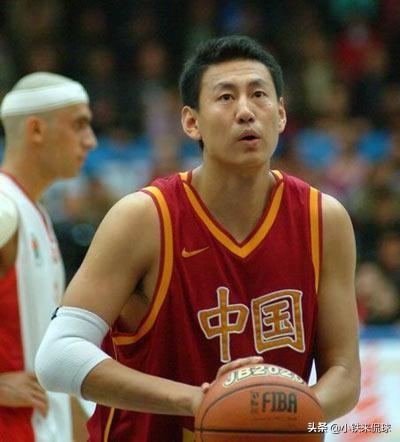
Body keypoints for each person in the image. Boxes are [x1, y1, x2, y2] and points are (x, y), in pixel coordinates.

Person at [36, 35, 361, 441]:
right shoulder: (144, 218)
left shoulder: (324, 220)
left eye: (259, 95)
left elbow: (344, 372)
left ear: (280, 115)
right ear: (192, 122)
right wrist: (200, 401)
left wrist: (287, 411)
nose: (246, 111)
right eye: (225, 97)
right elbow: (58, 354)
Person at [0, 72, 96, 441]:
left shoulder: (34, 212)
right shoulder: (4, 208)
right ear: (36, 129)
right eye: (79, 124)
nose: (90, 140)